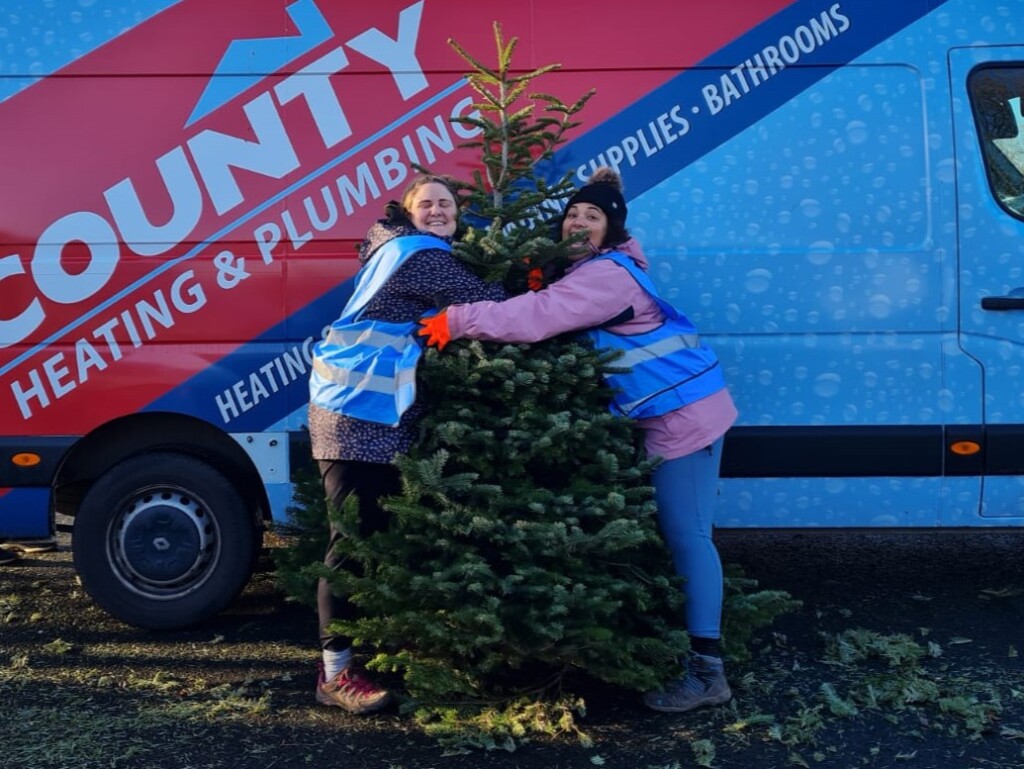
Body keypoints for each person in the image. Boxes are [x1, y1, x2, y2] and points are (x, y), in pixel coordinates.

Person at [417, 167, 738, 714]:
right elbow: (554, 295)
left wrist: (458, 319)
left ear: (612, 231)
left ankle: (707, 673)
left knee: (688, 537)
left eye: (592, 217)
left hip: (685, 418)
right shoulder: (599, 267)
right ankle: (698, 661)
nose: (577, 222)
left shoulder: (608, 277)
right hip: (678, 410)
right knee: (685, 535)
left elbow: (539, 316)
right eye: (572, 214)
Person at [307, 174, 506, 714]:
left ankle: (361, 656)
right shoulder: (419, 256)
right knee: (348, 545)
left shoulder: (396, 249)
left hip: (365, 411)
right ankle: (334, 677)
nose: (438, 211)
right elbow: (492, 302)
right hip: (353, 416)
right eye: (428, 204)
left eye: (447, 204)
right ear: (410, 213)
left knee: (370, 536)